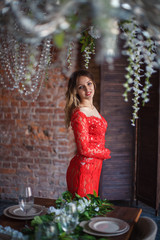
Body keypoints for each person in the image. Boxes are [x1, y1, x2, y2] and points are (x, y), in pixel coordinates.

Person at [64, 69, 111, 198]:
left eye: (89, 84)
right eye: (81, 87)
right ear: (76, 91)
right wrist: (105, 153)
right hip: (84, 168)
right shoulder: (80, 114)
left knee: (89, 207)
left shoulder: (93, 108)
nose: (87, 89)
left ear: (94, 84)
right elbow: (83, 149)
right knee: (82, 209)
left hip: (95, 167)